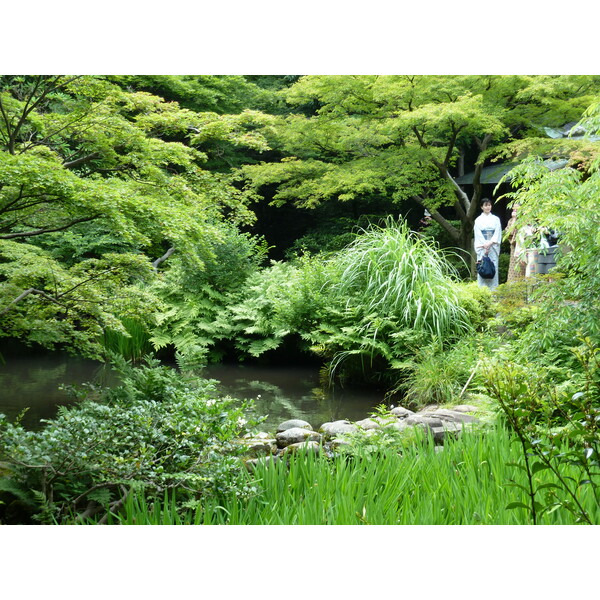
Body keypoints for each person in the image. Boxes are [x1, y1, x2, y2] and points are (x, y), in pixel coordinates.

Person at [474, 198, 502, 290]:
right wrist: (485, 244)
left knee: (493, 267)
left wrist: (490, 242)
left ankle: (494, 291)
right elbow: (478, 234)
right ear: (482, 207)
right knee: (483, 267)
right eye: (486, 205)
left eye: (489, 205)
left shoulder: (496, 219)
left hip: (493, 246)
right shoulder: (478, 220)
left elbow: (498, 232)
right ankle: (483, 291)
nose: (488, 207)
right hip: (482, 247)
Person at [506, 204, 526, 282]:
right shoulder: (511, 221)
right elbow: (509, 233)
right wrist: (514, 218)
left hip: (525, 249)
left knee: (524, 270)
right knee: (514, 270)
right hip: (515, 249)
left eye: (517, 208)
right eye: (514, 209)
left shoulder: (526, 220)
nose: (515, 210)